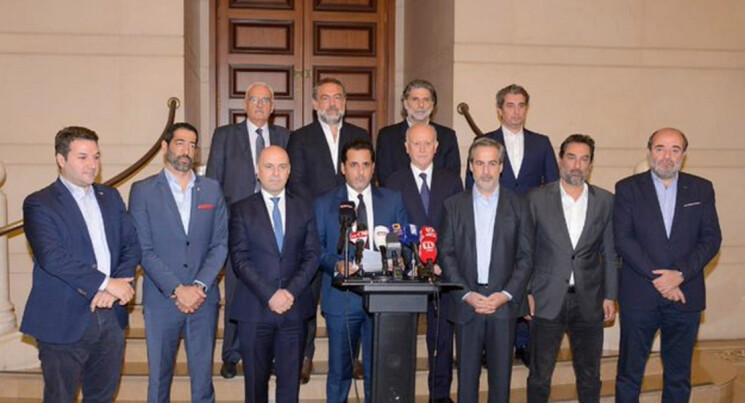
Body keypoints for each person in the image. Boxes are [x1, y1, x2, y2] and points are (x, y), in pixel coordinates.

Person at [21, 126, 141, 402]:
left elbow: (131, 244)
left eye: (96, 157)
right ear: (61, 159)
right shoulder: (39, 203)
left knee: (102, 397)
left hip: (111, 316)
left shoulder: (110, 196)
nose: (92, 165)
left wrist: (116, 287)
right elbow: (52, 257)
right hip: (62, 319)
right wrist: (105, 283)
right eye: (83, 157)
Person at [614, 128, 722, 402]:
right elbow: (623, 239)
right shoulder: (627, 188)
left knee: (679, 376)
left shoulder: (701, 188)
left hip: (686, 296)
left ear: (684, 155)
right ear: (649, 152)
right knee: (629, 374)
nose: (667, 156)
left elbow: (711, 239)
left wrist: (680, 275)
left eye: (675, 150)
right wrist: (662, 279)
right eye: (660, 148)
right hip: (639, 296)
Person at [129, 123, 228, 403]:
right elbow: (143, 249)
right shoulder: (143, 191)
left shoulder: (212, 190)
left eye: (192, 145)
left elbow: (220, 244)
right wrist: (177, 289)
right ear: (165, 146)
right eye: (180, 143)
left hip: (203, 299)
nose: (187, 150)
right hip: (162, 300)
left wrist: (198, 286)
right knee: (159, 381)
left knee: (203, 382)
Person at [465, 83, 559, 367]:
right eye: (510, 105)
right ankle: (488, 343)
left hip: (532, 222)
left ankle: (524, 342)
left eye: (521, 106)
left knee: (526, 278)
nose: (516, 111)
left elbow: (553, 186)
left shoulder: (541, 143)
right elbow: (471, 184)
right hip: (492, 221)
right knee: (494, 275)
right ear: (499, 110)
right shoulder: (484, 141)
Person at [287, 77, 369, 383]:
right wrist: (323, 215)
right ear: (314, 103)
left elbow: (366, 179)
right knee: (308, 295)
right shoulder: (300, 138)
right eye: (325, 98)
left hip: (354, 227)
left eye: (337, 97)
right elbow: (296, 184)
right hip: (313, 227)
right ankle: (305, 356)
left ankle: (353, 355)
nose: (332, 103)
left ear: (345, 102)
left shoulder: (360, 135)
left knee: (355, 294)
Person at [206, 81, 290, 378]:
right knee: (236, 292)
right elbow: (213, 183)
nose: (259, 105)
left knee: (273, 288)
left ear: (272, 106)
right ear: (245, 104)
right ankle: (232, 354)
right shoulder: (225, 136)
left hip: (276, 228)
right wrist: (216, 229)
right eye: (254, 100)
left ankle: (273, 354)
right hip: (236, 228)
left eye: (265, 100)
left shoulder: (284, 137)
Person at [313, 139, 409, 402]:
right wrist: (336, 264)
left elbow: (405, 243)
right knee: (340, 372)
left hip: (384, 298)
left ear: (373, 167)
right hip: (341, 299)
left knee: (379, 371)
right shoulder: (324, 203)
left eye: (366, 165)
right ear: (343, 168)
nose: (360, 172)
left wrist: (401, 258)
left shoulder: (392, 200)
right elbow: (315, 249)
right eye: (354, 165)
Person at [525, 134, 618, 402]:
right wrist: (526, 291)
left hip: (589, 301)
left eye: (584, 159)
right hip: (545, 299)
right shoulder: (536, 198)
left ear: (591, 164)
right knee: (539, 376)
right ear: (560, 160)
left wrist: (610, 295)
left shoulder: (605, 201)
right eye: (571, 157)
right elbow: (525, 250)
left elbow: (610, 253)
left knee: (590, 377)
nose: (577, 165)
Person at [440, 136, 533, 402]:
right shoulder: (453, 205)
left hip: (503, 306)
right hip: (467, 304)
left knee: (501, 383)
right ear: (470, 166)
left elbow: (526, 257)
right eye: (480, 163)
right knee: (466, 383)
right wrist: (467, 294)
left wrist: (505, 294)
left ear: (501, 167)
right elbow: (445, 253)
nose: (486, 171)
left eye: (492, 163)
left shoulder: (520, 205)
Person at [229, 145, 320, 402]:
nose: (276, 173)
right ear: (257, 171)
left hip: (294, 309)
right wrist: (270, 294)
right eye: (269, 166)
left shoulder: (304, 207)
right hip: (255, 310)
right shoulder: (241, 209)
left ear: (289, 171)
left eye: (282, 167)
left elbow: (312, 255)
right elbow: (240, 259)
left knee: (290, 388)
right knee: (255, 388)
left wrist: (289, 292)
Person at [383, 123, 463, 402]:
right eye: (416, 143)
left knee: (441, 339)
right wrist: (412, 263)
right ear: (406, 147)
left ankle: (439, 395)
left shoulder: (452, 181)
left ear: (436, 147)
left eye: (427, 143)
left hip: (442, 272)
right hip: (407, 274)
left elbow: (456, 227)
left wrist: (439, 261)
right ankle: (400, 395)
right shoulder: (393, 182)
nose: (422, 149)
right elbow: (391, 230)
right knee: (402, 339)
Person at [375, 79, 461, 186]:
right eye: (415, 99)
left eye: (426, 100)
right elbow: (385, 178)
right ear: (405, 103)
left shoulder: (447, 136)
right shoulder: (387, 136)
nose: (421, 105)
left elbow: (452, 179)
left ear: (433, 104)